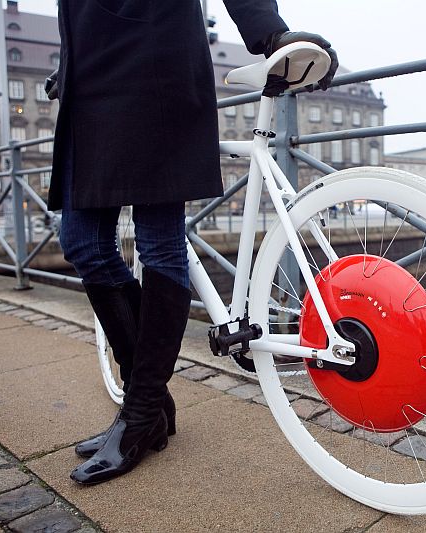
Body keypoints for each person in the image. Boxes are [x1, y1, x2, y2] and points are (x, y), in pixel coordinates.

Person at [46, 0, 338, 485]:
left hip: (152, 65)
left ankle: (140, 415)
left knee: (159, 245)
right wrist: (69, 58)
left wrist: (269, 34)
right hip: (90, 78)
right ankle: (151, 406)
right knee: (81, 242)